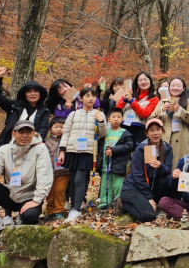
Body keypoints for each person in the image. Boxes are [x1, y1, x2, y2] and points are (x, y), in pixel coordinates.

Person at [0, 121, 53, 234]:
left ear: (33, 133)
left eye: (28, 132)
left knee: (29, 217)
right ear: (13, 134)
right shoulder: (5, 149)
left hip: (29, 196)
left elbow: (44, 175)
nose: (24, 135)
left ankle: (23, 215)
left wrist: (36, 200)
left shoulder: (40, 149)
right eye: (21, 132)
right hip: (11, 194)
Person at [58, 87, 108, 223]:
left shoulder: (99, 114)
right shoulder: (73, 114)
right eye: (87, 95)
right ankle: (76, 204)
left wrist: (101, 122)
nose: (91, 98)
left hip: (88, 151)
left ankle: (75, 210)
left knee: (80, 179)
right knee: (74, 180)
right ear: (81, 98)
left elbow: (103, 134)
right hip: (72, 151)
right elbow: (66, 133)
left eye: (93, 96)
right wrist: (62, 151)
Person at [119, 119, 174, 222]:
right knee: (148, 215)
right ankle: (123, 203)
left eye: (158, 129)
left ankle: (158, 201)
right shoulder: (140, 149)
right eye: (152, 130)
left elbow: (168, 171)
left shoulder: (167, 148)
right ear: (147, 133)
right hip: (134, 187)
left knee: (169, 178)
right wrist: (149, 197)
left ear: (162, 131)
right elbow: (137, 176)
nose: (155, 133)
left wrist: (160, 167)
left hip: (151, 187)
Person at [0, 67, 49, 155]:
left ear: (40, 94)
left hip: (31, 148)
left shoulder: (44, 111)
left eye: (36, 91)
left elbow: (43, 129)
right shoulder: (14, 106)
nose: (33, 94)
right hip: (8, 145)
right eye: (29, 91)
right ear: (24, 94)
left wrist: (35, 142)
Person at [151, 77, 189, 169]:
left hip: (182, 141)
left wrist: (181, 111)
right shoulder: (162, 102)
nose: (175, 88)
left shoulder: (187, 102)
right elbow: (151, 120)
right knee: (164, 167)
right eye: (173, 85)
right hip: (165, 139)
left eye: (178, 86)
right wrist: (161, 110)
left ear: (183, 88)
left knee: (181, 168)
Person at [96, 108, 135, 209]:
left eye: (118, 117)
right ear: (108, 119)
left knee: (118, 185)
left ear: (122, 119)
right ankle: (104, 203)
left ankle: (119, 203)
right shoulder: (105, 133)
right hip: (106, 163)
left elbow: (129, 146)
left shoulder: (125, 133)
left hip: (119, 164)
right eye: (113, 117)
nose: (116, 119)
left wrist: (114, 150)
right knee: (105, 185)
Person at [115, 71, 160, 144]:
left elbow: (144, 114)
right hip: (124, 128)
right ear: (137, 83)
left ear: (150, 81)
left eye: (145, 79)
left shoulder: (154, 99)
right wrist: (123, 100)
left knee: (138, 152)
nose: (143, 82)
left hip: (140, 129)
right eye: (140, 80)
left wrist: (131, 101)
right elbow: (117, 110)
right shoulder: (129, 94)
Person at [44, 117, 69, 220]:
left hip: (64, 171)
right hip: (50, 172)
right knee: (50, 192)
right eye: (56, 127)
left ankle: (59, 210)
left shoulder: (67, 140)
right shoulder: (47, 142)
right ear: (50, 129)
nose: (59, 129)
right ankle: (49, 210)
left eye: (62, 127)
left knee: (60, 190)